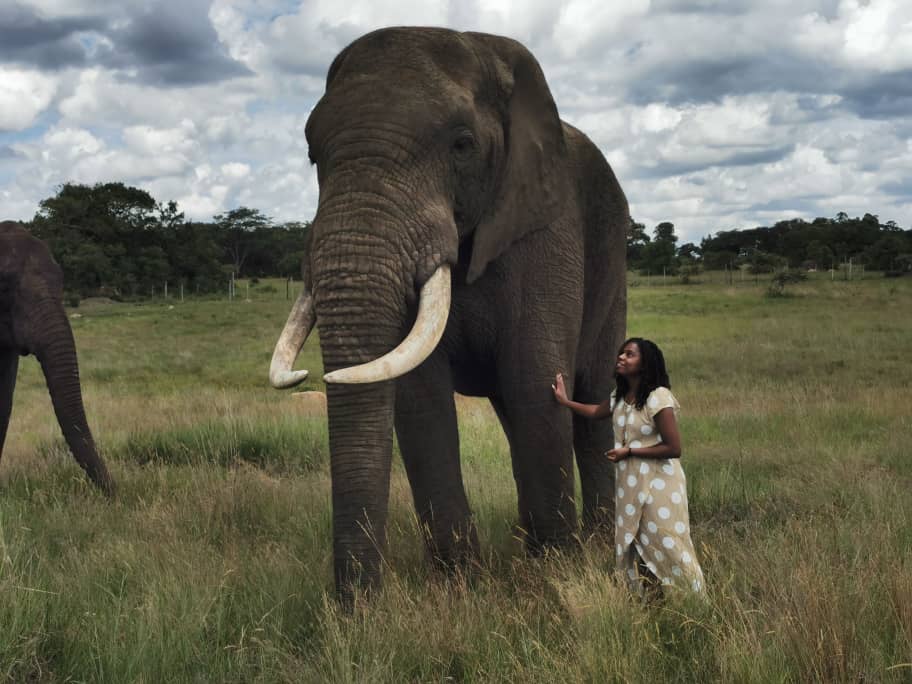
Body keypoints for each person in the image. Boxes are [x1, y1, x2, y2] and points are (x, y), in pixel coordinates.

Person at [552, 337, 704, 597]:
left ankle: (693, 599)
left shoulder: (659, 398)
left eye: (630, 354)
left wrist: (630, 451)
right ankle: (649, 599)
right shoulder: (620, 396)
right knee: (635, 541)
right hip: (630, 485)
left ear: (645, 363)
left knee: (666, 543)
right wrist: (565, 402)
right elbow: (595, 411)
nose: (621, 357)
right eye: (621, 353)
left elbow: (674, 447)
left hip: (659, 485)